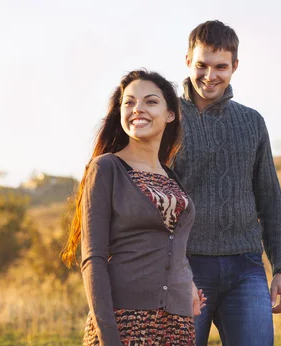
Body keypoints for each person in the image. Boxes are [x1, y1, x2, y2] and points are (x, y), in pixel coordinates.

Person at [172, 20, 281, 346]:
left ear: (235, 66)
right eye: (201, 65)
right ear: (188, 61)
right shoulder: (166, 119)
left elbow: (270, 200)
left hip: (246, 268)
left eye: (220, 67)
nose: (210, 75)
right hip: (184, 267)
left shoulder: (252, 122)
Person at [62, 69, 206, 346]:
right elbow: (93, 260)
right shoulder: (106, 168)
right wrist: (108, 338)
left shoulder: (170, 176)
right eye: (129, 102)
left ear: (170, 114)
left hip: (176, 325)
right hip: (124, 320)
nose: (137, 109)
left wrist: (186, 283)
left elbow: (174, 245)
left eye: (150, 102)